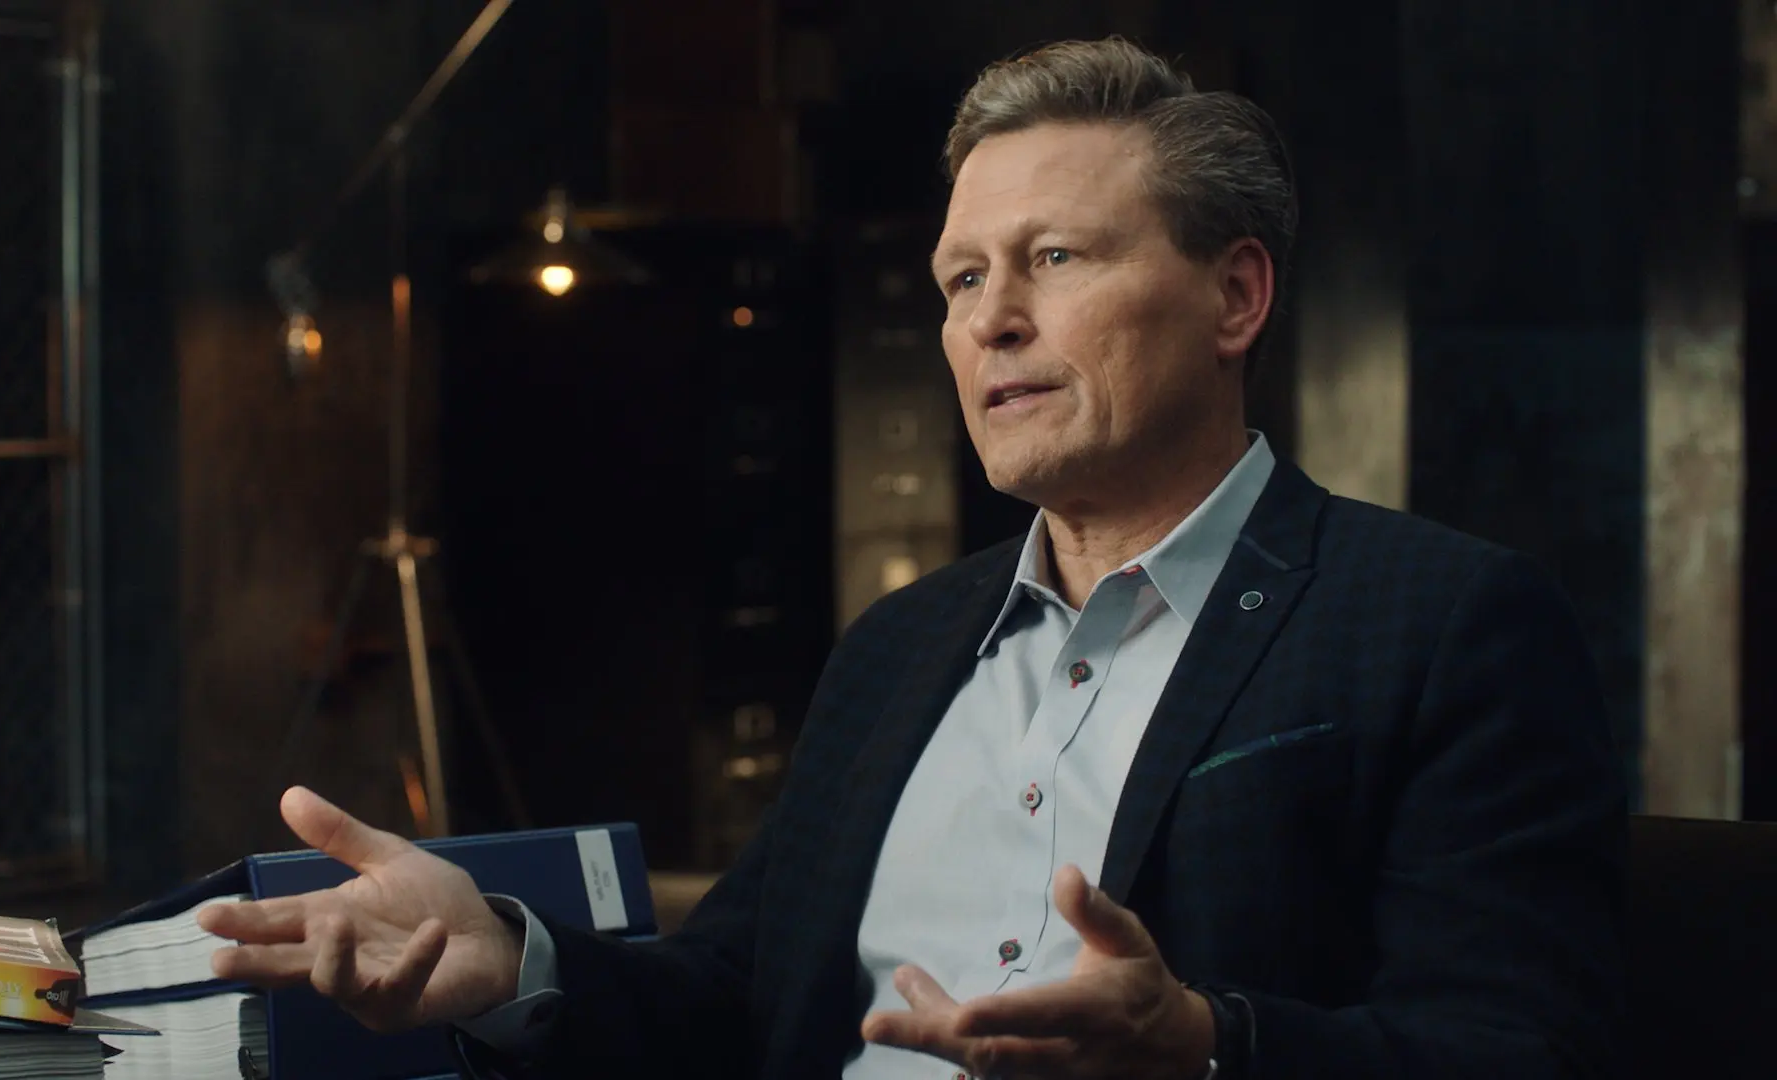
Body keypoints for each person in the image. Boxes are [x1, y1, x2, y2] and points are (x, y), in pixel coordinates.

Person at [199, 37, 1626, 1079]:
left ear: (1235, 296)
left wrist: (1202, 1048)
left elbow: (1514, 1052)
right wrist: (511, 963)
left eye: (1056, 260)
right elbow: (734, 999)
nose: (991, 320)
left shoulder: (1443, 625)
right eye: (962, 278)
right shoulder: (898, 649)